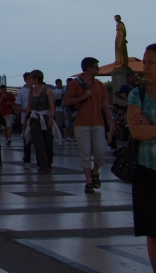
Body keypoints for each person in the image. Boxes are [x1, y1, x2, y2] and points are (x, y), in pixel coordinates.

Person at [127, 43, 156, 273]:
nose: (145, 68)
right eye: (145, 62)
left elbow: (146, 130)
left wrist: (154, 127)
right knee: (154, 233)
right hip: (148, 171)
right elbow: (137, 132)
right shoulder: (137, 94)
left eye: (151, 62)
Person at [66, 57, 114, 193]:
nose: (98, 69)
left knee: (100, 152)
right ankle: (88, 181)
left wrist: (110, 120)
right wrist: (83, 97)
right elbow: (68, 101)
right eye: (95, 67)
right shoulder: (75, 84)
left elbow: (105, 103)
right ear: (88, 68)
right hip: (81, 123)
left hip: (98, 122)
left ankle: (95, 171)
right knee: (85, 153)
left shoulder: (99, 84)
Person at [26, 70, 55, 174]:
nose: (29, 80)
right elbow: (29, 106)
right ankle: (42, 165)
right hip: (34, 118)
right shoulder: (31, 91)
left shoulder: (47, 90)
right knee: (38, 142)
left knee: (48, 142)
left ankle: (48, 163)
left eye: (30, 78)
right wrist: (26, 120)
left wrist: (51, 117)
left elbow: (52, 105)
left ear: (36, 79)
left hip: (45, 117)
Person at [15, 72, 34, 166]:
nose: (32, 80)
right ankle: (27, 159)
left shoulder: (37, 90)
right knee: (27, 140)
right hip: (25, 118)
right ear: (25, 80)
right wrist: (25, 110)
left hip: (36, 117)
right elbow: (17, 107)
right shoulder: (21, 92)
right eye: (30, 78)